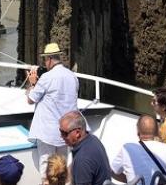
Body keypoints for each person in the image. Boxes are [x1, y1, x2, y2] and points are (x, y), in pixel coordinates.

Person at [26, 42, 79, 175]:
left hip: (48, 133)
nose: (45, 63)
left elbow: (30, 99)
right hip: (66, 131)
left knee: (46, 168)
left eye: (45, 59)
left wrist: (32, 83)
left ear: (49, 59)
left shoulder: (46, 77)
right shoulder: (73, 76)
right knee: (61, 168)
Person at [110, 115, 166, 184]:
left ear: (138, 132)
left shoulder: (127, 148)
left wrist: (130, 181)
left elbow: (113, 171)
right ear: (156, 132)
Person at [59, 110, 110, 185]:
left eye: (64, 133)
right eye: (60, 131)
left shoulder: (82, 159)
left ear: (77, 133)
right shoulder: (93, 139)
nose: (61, 136)